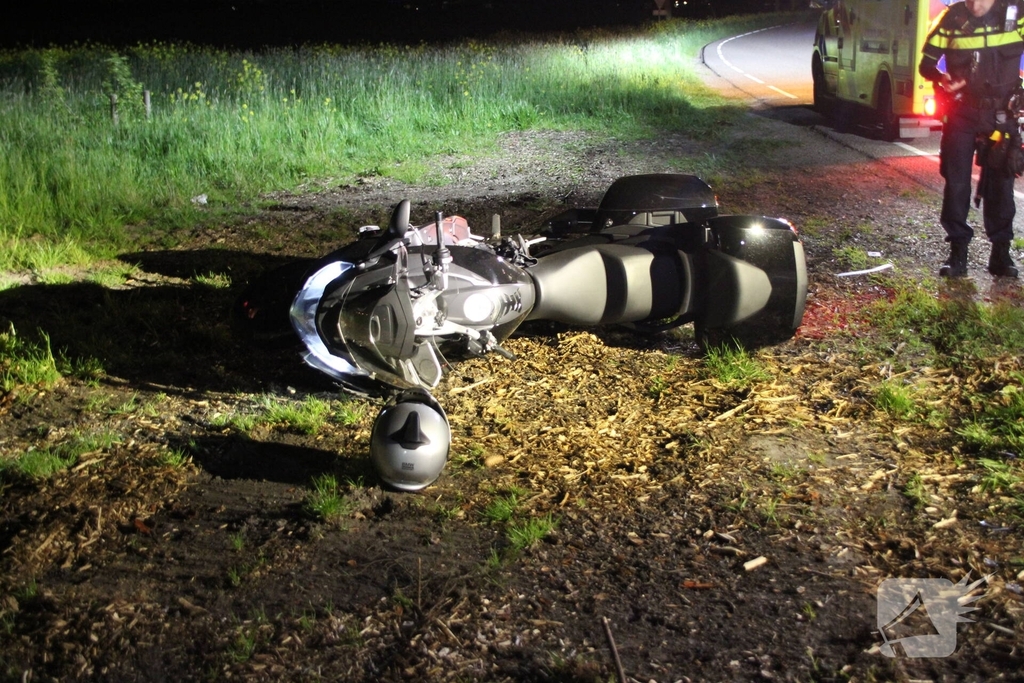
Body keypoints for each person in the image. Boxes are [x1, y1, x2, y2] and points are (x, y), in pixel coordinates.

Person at [919, 0, 1023, 278]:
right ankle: (957, 254)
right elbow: (926, 65)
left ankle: (1001, 254)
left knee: (1001, 184)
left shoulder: (1016, 14)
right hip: (962, 113)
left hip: (1003, 115)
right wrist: (942, 80)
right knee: (957, 182)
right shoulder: (951, 19)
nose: (976, 2)